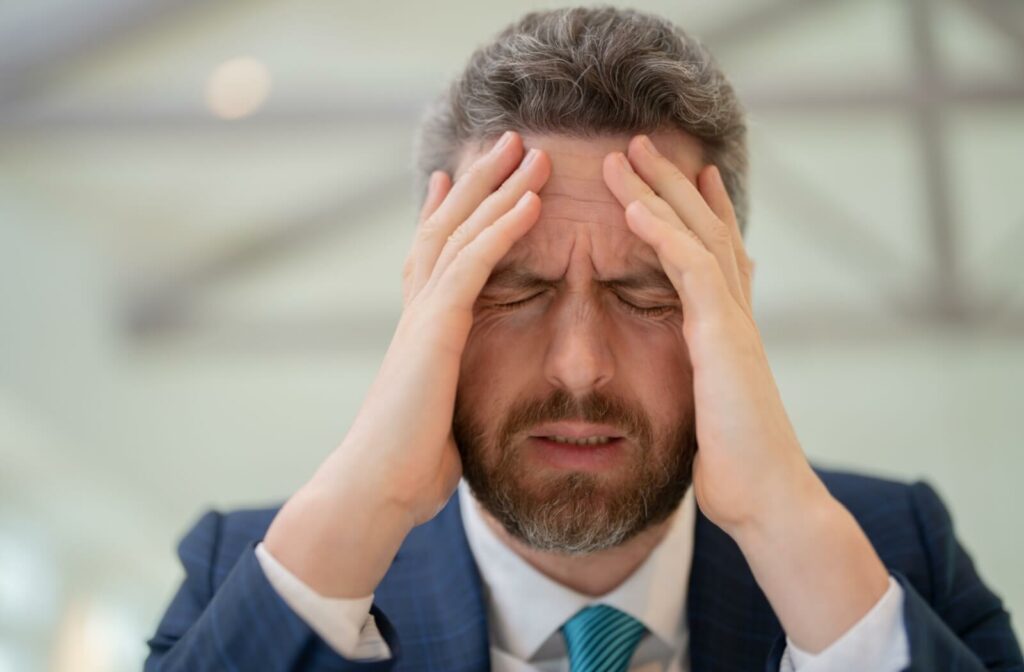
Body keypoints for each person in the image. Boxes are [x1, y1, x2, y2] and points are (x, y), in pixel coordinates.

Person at [144, 7, 1022, 671]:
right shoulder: (254, 573)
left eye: (646, 294)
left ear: (731, 308)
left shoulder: (892, 555)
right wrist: (363, 508)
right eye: (514, 288)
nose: (579, 367)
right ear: (425, 300)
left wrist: (782, 524)